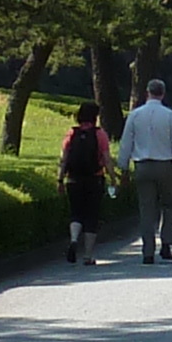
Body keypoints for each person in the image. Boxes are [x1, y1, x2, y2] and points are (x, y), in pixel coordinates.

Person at [121, 77, 172, 262]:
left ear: (147, 93)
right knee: (168, 205)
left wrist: (123, 168)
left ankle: (147, 250)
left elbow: (126, 143)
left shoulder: (135, 115)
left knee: (146, 209)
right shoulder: (170, 115)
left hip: (142, 165)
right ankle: (166, 244)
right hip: (165, 165)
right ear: (163, 94)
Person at [57, 102, 112, 266]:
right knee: (91, 216)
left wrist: (60, 179)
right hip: (94, 179)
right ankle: (88, 256)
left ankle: (74, 239)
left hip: (73, 179)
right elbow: (107, 159)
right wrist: (114, 178)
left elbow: (63, 159)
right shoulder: (100, 134)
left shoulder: (71, 134)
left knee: (76, 213)